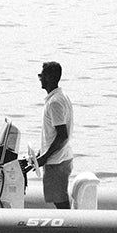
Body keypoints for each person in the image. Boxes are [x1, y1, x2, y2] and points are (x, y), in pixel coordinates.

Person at [34, 60, 74, 209]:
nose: (40, 78)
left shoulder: (54, 103)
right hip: (61, 157)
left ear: (50, 77)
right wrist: (41, 152)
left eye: (41, 75)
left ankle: (69, 229)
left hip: (56, 161)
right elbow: (53, 133)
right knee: (59, 197)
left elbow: (62, 135)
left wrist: (45, 157)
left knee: (60, 200)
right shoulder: (60, 97)